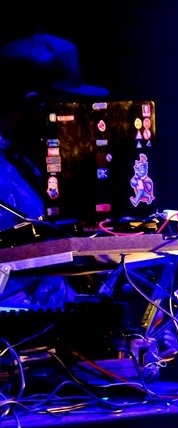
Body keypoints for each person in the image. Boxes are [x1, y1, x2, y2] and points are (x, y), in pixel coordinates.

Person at [0, 33, 108, 308]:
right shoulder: (6, 174)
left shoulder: (20, 161)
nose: (75, 117)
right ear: (33, 104)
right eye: (65, 105)